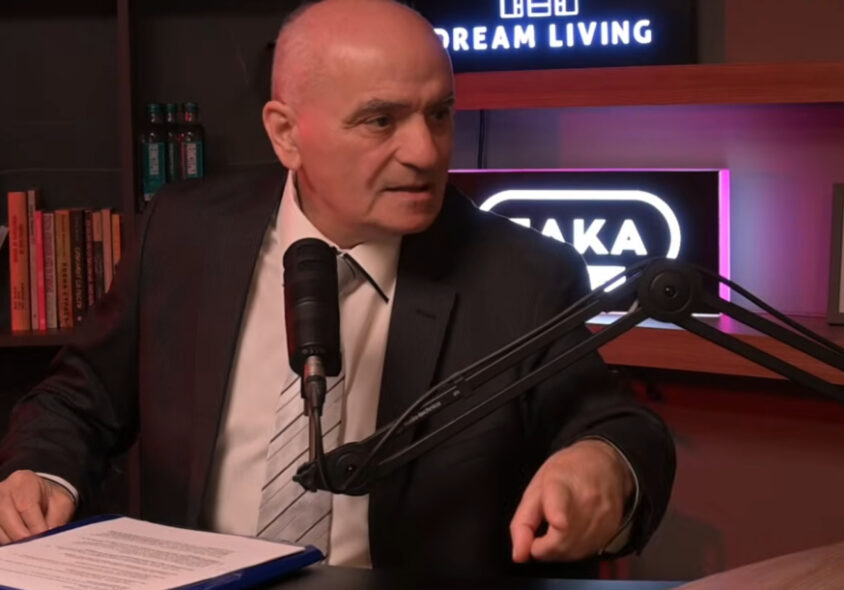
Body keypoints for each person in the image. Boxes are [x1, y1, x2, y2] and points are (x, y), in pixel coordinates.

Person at [0, 0, 675, 578]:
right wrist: (41, 473)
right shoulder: (181, 233)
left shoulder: (521, 272)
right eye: (382, 121)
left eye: (440, 114)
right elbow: (80, 399)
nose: (426, 151)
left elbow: (616, 427)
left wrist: (604, 465)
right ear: (286, 134)